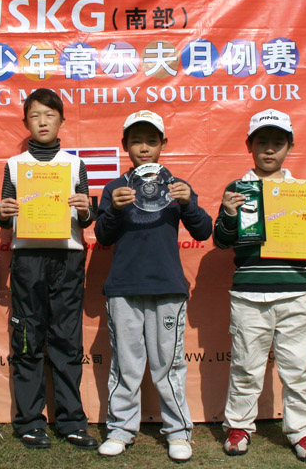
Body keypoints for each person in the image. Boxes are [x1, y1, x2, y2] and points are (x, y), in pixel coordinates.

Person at [94, 110, 212, 463]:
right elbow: (102, 236)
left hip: (168, 288)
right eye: (136, 141)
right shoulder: (115, 188)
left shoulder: (177, 186)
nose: (144, 148)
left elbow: (204, 230)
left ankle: (178, 432)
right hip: (123, 288)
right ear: (125, 145)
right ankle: (120, 429)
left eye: (151, 141)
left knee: (168, 365)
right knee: (126, 365)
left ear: (163, 144)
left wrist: (187, 203)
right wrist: (114, 210)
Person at [213, 109, 306, 462]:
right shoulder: (237, 188)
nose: (269, 149)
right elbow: (221, 241)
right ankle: (239, 427)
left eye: (278, 143)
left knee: (298, 369)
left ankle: (303, 431)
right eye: (262, 141)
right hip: (249, 294)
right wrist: (228, 213)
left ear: (289, 147)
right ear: (249, 145)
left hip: (296, 292)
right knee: (246, 367)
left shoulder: (302, 191)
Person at [0, 88, 97, 450]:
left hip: (67, 259)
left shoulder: (74, 164)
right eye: (35, 115)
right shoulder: (14, 165)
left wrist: (84, 208)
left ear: (62, 121)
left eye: (50, 115)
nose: (43, 122)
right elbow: (4, 216)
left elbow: (86, 219)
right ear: (26, 122)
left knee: (67, 340)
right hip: (28, 260)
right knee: (27, 339)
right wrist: (3, 214)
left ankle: (71, 422)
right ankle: (29, 422)